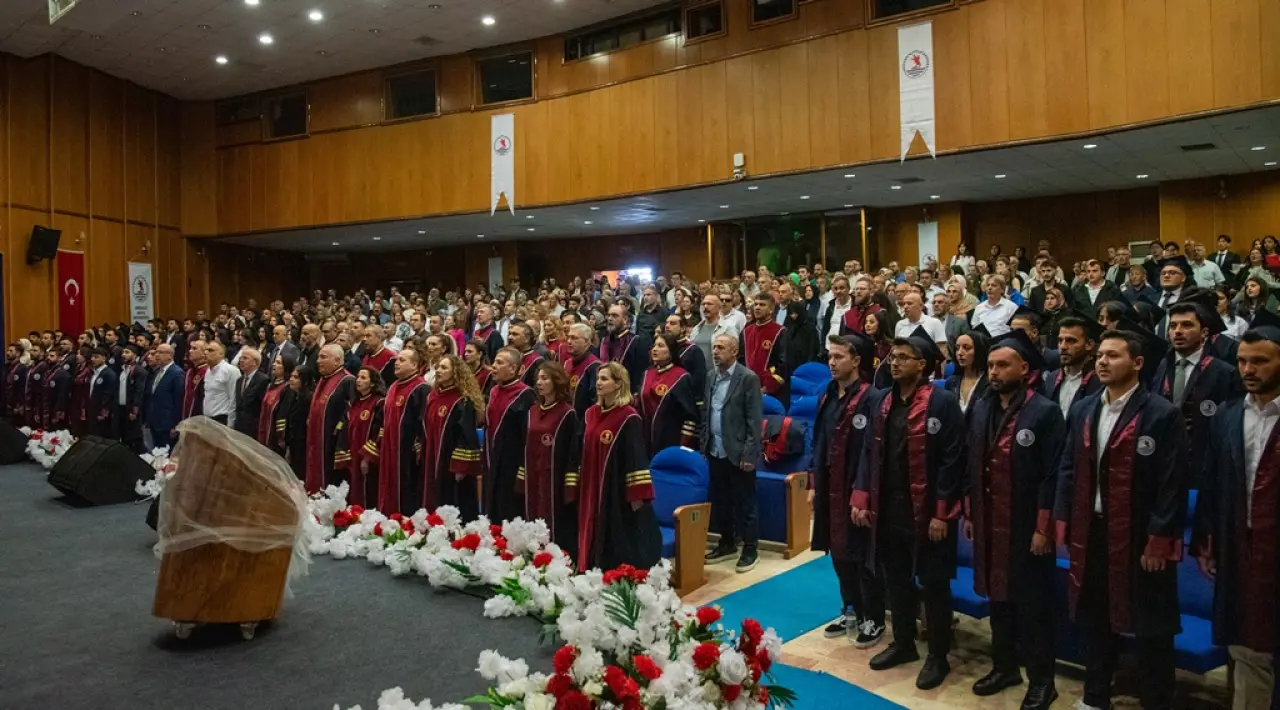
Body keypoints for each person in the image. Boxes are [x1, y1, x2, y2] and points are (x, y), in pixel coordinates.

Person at [1053, 329, 1187, 710]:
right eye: (1100, 355)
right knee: (1096, 616)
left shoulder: (1161, 413)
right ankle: (1096, 696)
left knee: (1151, 624)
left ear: (1138, 363)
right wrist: (1064, 517)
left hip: (1140, 533)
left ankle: (1156, 700)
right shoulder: (1084, 408)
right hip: (1093, 529)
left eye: (1113, 355)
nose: (1102, 361)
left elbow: (1172, 484)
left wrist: (1159, 538)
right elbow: (1068, 467)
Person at [850, 327, 965, 690]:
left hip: (928, 510)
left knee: (934, 582)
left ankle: (938, 655)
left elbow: (953, 460)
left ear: (923, 364)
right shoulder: (882, 401)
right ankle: (903, 643)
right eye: (892, 357)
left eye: (903, 358)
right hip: (890, 507)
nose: (895, 363)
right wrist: (862, 497)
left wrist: (942, 513)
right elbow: (869, 452)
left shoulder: (942, 402)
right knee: (895, 578)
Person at [964, 330, 1064, 709]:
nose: (993, 372)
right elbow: (973, 463)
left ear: (1024, 368)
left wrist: (1043, 527)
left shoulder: (1044, 411)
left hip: (1026, 526)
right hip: (990, 520)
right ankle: (1004, 667)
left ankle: (1043, 680)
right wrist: (971, 512)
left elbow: (1053, 475)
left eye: (1002, 365)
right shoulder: (981, 407)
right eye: (990, 365)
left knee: (1032, 606)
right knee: (998, 600)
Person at [1193, 324, 1280, 710]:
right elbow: (1211, 483)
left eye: (1260, 361)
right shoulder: (1228, 416)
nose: (1248, 369)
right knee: (1246, 643)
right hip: (1240, 547)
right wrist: (1206, 540)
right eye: (1243, 361)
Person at [809, 333, 886, 648]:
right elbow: (819, 443)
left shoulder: (872, 398)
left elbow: (874, 452)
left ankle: (874, 617)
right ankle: (850, 609)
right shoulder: (827, 395)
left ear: (856, 361)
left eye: (839, 356)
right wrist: (814, 483)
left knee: (862, 556)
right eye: (830, 356)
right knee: (839, 552)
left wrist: (863, 492)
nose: (832, 362)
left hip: (858, 489)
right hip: (830, 487)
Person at [567, 361, 662, 573]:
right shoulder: (590, 414)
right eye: (598, 379)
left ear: (619, 384)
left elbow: (636, 457)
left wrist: (637, 495)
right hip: (589, 487)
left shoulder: (628, 417)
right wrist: (573, 483)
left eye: (604, 379)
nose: (598, 383)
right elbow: (577, 451)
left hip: (614, 489)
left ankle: (609, 575)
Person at [1152, 302, 1243, 488]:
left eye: (1187, 325)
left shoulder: (1224, 372)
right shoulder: (1162, 367)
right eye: (1173, 326)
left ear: (1204, 333)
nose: (1178, 331)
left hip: (1205, 469)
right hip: (1163, 465)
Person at [702, 334, 764, 573]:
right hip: (715, 449)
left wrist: (749, 454)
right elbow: (707, 412)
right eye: (714, 347)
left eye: (720, 348)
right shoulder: (711, 376)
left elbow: (754, 421)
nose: (715, 351)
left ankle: (750, 548)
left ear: (734, 352)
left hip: (738, 451)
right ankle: (727, 542)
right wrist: (704, 444)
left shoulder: (748, 378)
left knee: (745, 502)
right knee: (721, 500)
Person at [522, 361, 580, 552]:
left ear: (556, 381)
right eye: (538, 378)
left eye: (545, 378)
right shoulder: (532, 411)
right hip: (533, 475)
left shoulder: (567, 413)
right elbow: (525, 445)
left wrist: (570, 486)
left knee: (552, 520)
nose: (539, 382)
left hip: (555, 479)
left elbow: (573, 453)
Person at [421, 354, 484, 518]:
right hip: (432, 458)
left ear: (455, 372)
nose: (438, 371)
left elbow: (467, 436)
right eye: (438, 367)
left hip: (451, 463)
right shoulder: (432, 397)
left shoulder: (462, 401)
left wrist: (461, 467)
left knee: (453, 502)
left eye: (444, 367)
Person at [371, 348, 430, 514]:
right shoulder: (393, 387)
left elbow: (424, 423)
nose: (396, 363)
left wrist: (419, 447)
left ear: (415, 365)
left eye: (402, 360)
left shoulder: (421, 388)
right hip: (389, 450)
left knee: (407, 492)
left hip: (408, 453)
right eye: (397, 359)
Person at [485, 348, 536, 523]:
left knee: (508, 511)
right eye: (494, 361)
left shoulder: (525, 395)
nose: (493, 366)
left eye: (499, 363)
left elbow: (527, 436)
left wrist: (523, 468)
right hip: (492, 459)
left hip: (512, 464)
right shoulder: (494, 391)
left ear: (513, 369)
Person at [302, 344, 356, 493]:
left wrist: (339, 435)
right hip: (316, 439)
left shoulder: (347, 380)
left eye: (323, 357)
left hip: (332, 442)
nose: (318, 361)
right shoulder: (323, 379)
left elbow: (350, 413)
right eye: (319, 357)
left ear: (337, 360)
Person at [638, 334, 699, 457]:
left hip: (670, 441)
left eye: (660, 346)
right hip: (645, 440)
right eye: (654, 346)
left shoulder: (681, 376)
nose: (655, 349)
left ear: (671, 351)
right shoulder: (647, 374)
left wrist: (683, 446)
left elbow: (690, 418)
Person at [337, 367, 385, 507]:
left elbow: (379, 432)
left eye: (363, 378)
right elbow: (344, 429)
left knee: (368, 493)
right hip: (352, 457)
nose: (358, 380)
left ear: (372, 383)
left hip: (368, 458)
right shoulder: (353, 404)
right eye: (358, 377)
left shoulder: (379, 403)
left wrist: (367, 457)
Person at [1043, 314, 1103, 416]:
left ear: (1089, 344)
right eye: (1060, 340)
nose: (1063, 347)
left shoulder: (1100, 381)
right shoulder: (1051, 379)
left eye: (1071, 341)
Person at [739, 293, 790, 405]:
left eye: (762, 305)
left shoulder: (780, 332)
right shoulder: (746, 332)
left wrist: (766, 388)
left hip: (772, 392)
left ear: (771, 309)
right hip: (747, 388)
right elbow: (740, 360)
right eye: (756, 304)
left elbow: (783, 365)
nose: (757, 307)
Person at [601, 304, 647, 396]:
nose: (610, 319)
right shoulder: (604, 341)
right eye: (608, 315)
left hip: (626, 394)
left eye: (615, 316)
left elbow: (640, 374)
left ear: (625, 320)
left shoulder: (636, 342)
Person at [146, 344, 184, 449]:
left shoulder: (177, 373)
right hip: (155, 421)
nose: (157, 355)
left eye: (161, 352)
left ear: (170, 356)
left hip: (167, 424)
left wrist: (176, 425)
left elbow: (178, 401)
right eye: (156, 352)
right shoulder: (158, 371)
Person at [257, 353, 296, 456]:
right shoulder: (270, 385)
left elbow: (283, 417)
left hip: (275, 439)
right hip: (264, 431)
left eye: (278, 363)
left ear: (286, 367)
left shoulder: (287, 389)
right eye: (274, 361)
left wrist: (280, 440)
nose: (274, 364)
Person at [945, 330, 989, 415]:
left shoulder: (989, 383)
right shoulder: (951, 382)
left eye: (967, 348)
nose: (960, 353)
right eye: (957, 348)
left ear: (980, 350)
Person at [564, 323, 602, 417]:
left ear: (586, 342)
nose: (569, 341)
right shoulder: (567, 363)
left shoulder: (595, 366)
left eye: (574, 338)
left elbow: (595, 400)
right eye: (568, 337)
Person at [116, 345, 147, 451]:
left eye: (127, 352)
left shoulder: (138, 371)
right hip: (121, 408)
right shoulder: (121, 370)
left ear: (134, 355)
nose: (123, 355)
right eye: (123, 352)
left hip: (132, 410)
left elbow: (139, 392)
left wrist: (134, 410)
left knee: (133, 437)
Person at [201, 341, 240, 426]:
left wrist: (230, 424)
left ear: (221, 354)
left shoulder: (231, 371)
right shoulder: (208, 371)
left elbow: (233, 399)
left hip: (222, 419)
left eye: (210, 350)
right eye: (205, 350)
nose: (206, 352)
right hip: (207, 418)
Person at [232, 347, 268, 437]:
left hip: (253, 429)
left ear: (255, 362)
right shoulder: (239, 380)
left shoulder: (263, 380)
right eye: (241, 358)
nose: (241, 360)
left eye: (245, 358)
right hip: (238, 427)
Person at [86, 347, 118, 439]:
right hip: (93, 408)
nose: (93, 359)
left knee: (101, 435)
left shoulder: (109, 374)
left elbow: (108, 395)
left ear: (104, 358)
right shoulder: (95, 372)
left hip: (102, 411)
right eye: (92, 357)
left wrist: (103, 412)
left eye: (96, 357)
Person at [781, 300, 819, 374]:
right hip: (789, 362)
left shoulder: (809, 327)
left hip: (804, 362)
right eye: (791, 313)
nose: (793, 316)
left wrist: (809, 362)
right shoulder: (788, 324)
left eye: (795, 313)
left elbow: (813, 346)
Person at [41, 348, 71, 432]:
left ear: (60, 358)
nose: (48, 358)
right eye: (48, 356)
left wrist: (59, 410)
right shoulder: (47, 372)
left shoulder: (63, 374)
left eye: (52, 356)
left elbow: (63, 395)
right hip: (46, 407)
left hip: (56, 409)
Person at [508, 322, 544, 388]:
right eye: (510, 334)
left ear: (527, 339)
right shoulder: (507, 356)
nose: (510, 337)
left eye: (515, 334)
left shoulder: (537, 360)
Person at [181, 343, 208, 421]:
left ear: (204, 353)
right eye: (190, 348)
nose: (190, 351)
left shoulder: (207, 372)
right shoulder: (189, 372)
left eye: (194, 348)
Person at [69, 347, 92, 437]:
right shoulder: (78, 367)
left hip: (83, 401)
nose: (77, 356)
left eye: (80, 354)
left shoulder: (89, 370)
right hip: (75, 400)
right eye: (77, 353)